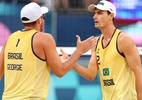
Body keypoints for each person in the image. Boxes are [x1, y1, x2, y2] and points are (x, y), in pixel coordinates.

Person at [0, 2, 96, 100]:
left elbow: (28, 63)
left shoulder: (10, 38)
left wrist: (57, 60)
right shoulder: (44, 38)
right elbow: (60, 71)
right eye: (43, 17)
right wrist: (79, 51)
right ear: (39, 20)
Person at [72, 0, 142, 100]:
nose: (95, 16)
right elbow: (91, 74)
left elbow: (138, 70)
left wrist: (140, 97)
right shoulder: (96, 43)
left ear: (111, 15)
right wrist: (71, 63)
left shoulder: (123, 40)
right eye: (95, 13)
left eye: (100, 13)